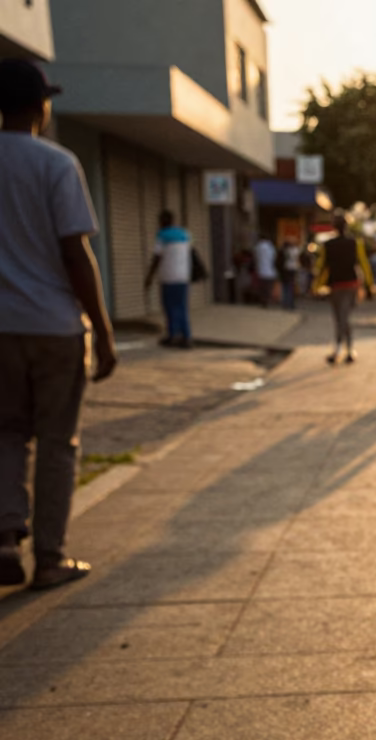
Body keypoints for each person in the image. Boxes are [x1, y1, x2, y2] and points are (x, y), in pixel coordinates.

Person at [0, 59, 117, 589]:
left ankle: (4, 537)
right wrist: (103, 330)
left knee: (5, 433)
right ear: (39, 107)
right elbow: (75, 253)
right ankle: (50, 557)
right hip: (53, 326)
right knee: (56, 440)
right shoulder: (56, 163)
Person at [313, 214, 374, 365]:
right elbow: (364, 264)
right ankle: (348, 349)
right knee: (342, 318)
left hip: (337, 286)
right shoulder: (355, 243)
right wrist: (369, 284)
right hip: (349, 285)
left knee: (341, 318)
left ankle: (340, 349)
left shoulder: (328, 245)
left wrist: (315, 286)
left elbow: (321, 267)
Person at [144, 209, 194, 348]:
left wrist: (149, 276)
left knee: (170, 307)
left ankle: (173, 335)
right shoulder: (185, 234)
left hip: (168, 276)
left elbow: (157, 257)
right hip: (183, 276)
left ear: (163, 221)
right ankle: (186, 336)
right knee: (182, 307)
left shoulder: (162, 235)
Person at [252, 234, 277, 308]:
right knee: (268, 288)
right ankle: (266, 301)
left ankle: (263, 301)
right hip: (270, 272)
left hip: (261, 271)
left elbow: (256, 257)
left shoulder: (258, 246)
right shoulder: (271, 247)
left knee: (262, 288)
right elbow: (274, 258)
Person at [279, 238, 300, 310]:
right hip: (290, 270)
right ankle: (288, 303)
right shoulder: (294, 250)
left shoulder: (287, 251)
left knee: (287, 288)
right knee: (289, 287)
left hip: (288, 270)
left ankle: (287, 303)